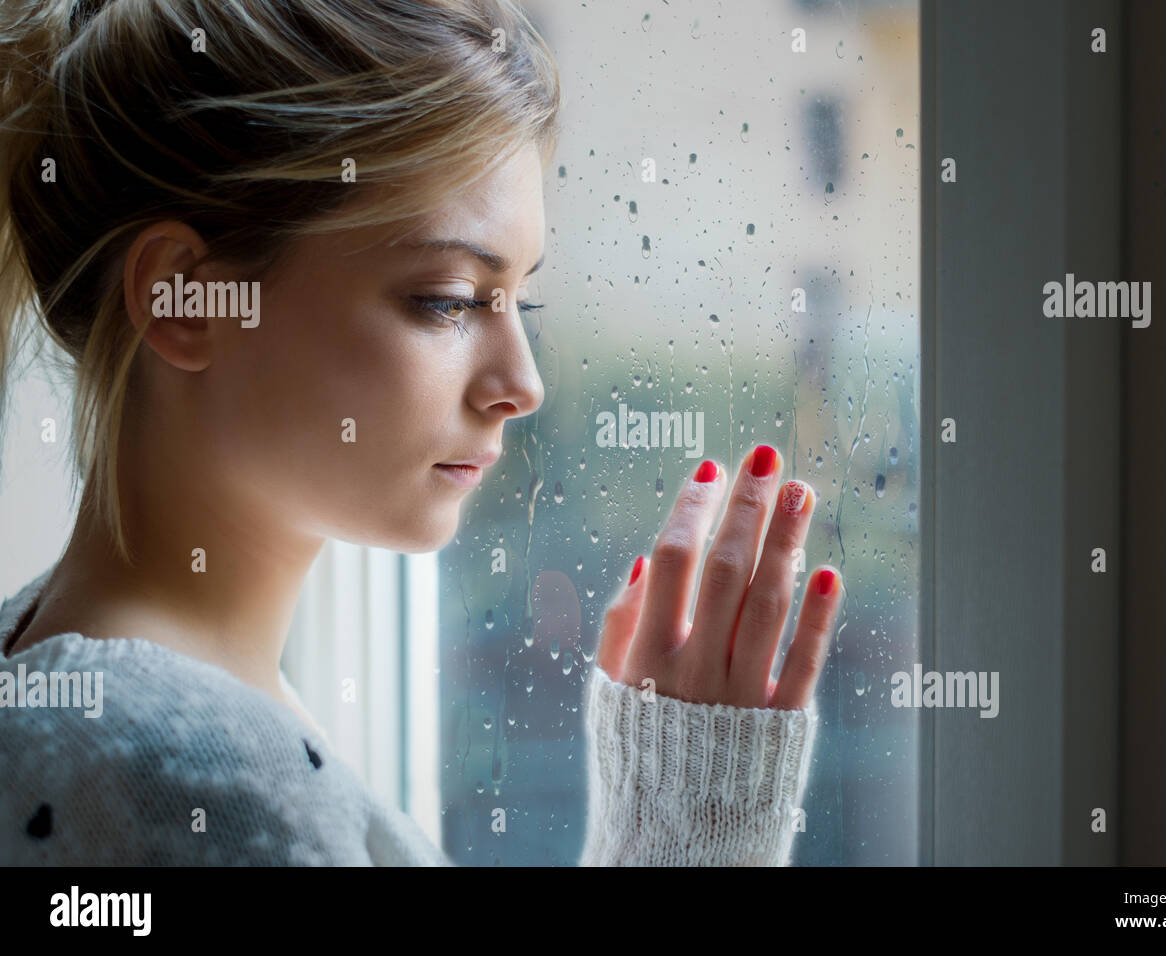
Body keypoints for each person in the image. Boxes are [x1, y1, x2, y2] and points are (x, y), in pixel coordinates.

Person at [0, 0, 842, 865]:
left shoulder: (54, 668)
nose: (524, 385)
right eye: (445, 300)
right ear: (183, 297)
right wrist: (698, 841)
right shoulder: (203, 787)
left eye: (522, 299)